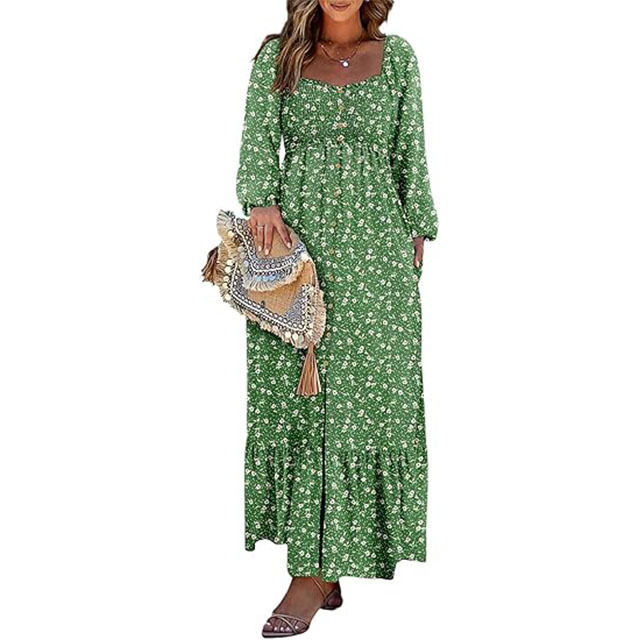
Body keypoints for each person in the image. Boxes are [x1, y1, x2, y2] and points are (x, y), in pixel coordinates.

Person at [234, 1, 439, 636]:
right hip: (297, 253)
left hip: (377, 254)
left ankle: (329, 564)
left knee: (368, 401)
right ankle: (311, 570)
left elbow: (410, 152)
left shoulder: (397, 58)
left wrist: (417, 228)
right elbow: (257, 140)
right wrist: (261, 200)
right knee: (301, 398)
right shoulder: (279, 57)